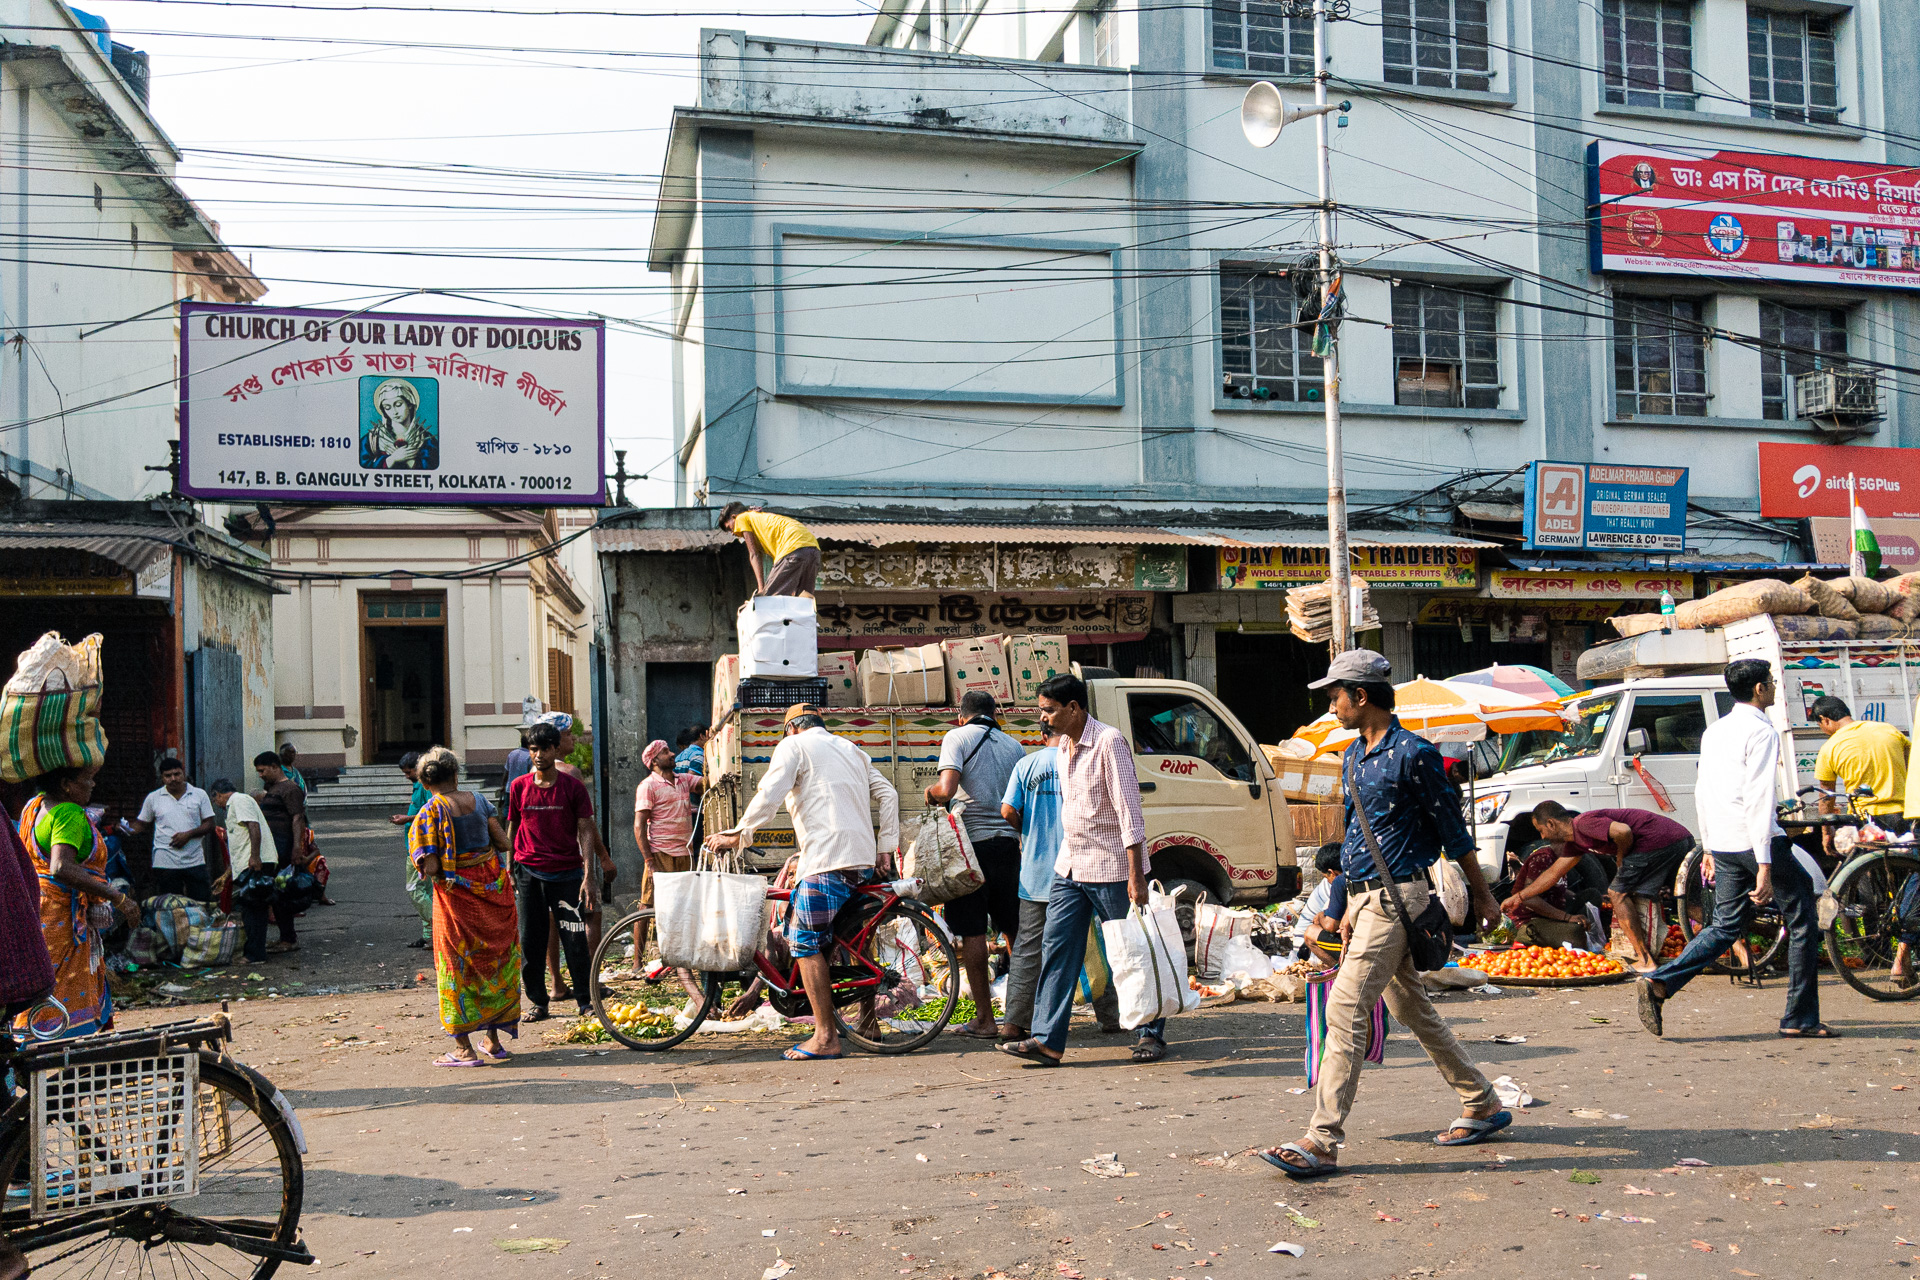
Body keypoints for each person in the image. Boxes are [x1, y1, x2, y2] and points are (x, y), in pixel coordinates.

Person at [1259, 650, 1509, 1180]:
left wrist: (1483, 896)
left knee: (1345, 1009)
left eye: (1335, 696)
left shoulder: (1414, 755)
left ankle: (1322, 1140)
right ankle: (1482, 1100)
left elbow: (1452, 832)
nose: (1332, 706)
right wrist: (1345, 902)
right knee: (1414, 1010)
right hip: (1367, 899)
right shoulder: (1353, 757)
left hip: (1402, 900)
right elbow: (1353, 836)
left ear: (1362, 696)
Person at [1639, 658, 1830, 1038]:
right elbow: (1758, 797)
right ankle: (1800, 1018)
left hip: (1724, 842)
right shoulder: (1762, 732)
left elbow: (1703, 790)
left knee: (1725, 926)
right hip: (1757, 841)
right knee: (1803, 919)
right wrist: (1764, 865)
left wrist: (1708, 845)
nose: (1774, 687)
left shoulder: (1716, 731)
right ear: (1760, 688)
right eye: (1771, 682)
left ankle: (1660, 981)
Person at [708, 702, 899, 1062]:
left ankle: (826, 1037)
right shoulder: (851, 749)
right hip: (859, 861)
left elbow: (770, 792)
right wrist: (885, 848)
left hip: (828, 860)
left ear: (792, 727)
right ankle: (869, 1021)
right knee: (850, 939)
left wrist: (739, 834)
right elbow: (888, 794)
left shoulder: (793, 746)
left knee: (804, 941)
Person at [999, 672, 1167, 1068]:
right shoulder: (1063, 749)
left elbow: (1130, 811)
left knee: (1132, 949)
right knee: (1058, 949)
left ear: (1073, 708)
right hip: (1070, 866)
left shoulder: (1109, 742)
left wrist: (1136, 874)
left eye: (1049, 710)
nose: (1043, 718)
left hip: (1112, 867)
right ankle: (1047, 1041)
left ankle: (1150, 1034)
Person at [999, 730, 1122, 1039]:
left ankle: (1014, 1023)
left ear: (1042, 735)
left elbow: (1007, 810)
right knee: (1098, 945)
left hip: (1037, 873)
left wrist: (1027, 828)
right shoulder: (1079, 761)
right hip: (1082, 869)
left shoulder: (1026, 766)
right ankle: (1112, 1017)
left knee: (1028, 951)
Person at [409, 745, 520, 1065]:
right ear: (457, 774)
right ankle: (493, 1040)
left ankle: (463, 1049)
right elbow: (504, 843)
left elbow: (430, 868)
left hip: (455, 900)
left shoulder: (430, 812)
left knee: (456, 968)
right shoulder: (480, 801)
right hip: (493, 892)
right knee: (492, 963)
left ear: (425, 783)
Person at [11, 765, 139, 1039]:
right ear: (67, 784)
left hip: (39, 908)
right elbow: (61, 867)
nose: (93, 785)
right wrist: (118, 897)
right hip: (63, 920)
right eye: (88, 780)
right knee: (62, 989)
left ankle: (30, 1038)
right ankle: (64, 1052)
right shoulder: (68, 813)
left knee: (41, 985)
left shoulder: (34, 806)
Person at [927, 691, 1027, 1039]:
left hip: (969, 851)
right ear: (993, 714)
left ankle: (984, 1020)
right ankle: (1020, 1017)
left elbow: (947, 787)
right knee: (1014, 930)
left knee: (973, 932)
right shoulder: (1014, 747)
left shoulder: (956, 737)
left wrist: (931, 792)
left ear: (961, 716)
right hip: (1007, 848)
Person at [1529, 801, 1692, 971]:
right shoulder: (1576, 842)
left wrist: (1621, 856)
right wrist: (1519, 896)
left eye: (1541, 830)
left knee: (1617, 893)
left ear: (1551, 823)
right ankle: (1712, 951)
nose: (1542, 837)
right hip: (1681, 837)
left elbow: (1623, 831)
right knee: (1689, 899)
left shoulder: (1582, 823)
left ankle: (1645, 960)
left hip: (1655, 841)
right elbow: (1553, 873)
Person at [507, 721, 598, 1021]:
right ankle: (539, 1002)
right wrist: (509, 867)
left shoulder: (573, 787)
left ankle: (585, 1000)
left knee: (574, 941)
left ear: (556, 749)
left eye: (545, 749)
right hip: (529, 874)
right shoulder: (519, 787)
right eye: (534, 749)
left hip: (567, 874)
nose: (539, 755)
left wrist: (589, 873)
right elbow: (513, 825)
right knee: (531, 942)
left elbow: (586, 828)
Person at [633, 738, 706, 999]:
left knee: (684, 907)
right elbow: (639, 826)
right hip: (661, 854)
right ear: (654, 760)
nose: (671, 753)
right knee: (647, 906)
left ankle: (679, 960)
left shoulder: (683, 779)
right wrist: (649, 861)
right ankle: (637, 963)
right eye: (665, 752)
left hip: (685, 854)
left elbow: (706, 783)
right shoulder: (648, 786)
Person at [207, 777, 289, 963]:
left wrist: (255, 856)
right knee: (252, 909)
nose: (216, 804)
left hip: (256, 863)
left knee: (254, 910)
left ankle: (255, 955)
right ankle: (254, 952)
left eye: (215, 800)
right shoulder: (235, 805)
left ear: (218, 795)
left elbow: (253, 826)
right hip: (250, 863)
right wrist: (228, 874)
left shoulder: (239, 800)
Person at [1812, 696, 1910, 834]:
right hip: (1904, 814)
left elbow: (1827, 797)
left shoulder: (1829, 748)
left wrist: (1826, 833)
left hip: (1866, 820)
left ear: (1825, 720)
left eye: (1819, 725)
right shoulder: (1890, 730)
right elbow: (1912, 769)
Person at [127, 758, 218, 902]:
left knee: (202, 902)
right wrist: (124, 828)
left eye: (177, 774)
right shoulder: (154, 798)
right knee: (170, 907)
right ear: (162, 778)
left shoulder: (199, 794)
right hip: (165, 861)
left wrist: (188, 835)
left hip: (194, 860)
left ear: (183, 773)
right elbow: (142, 824)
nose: (173, 779)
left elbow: (210, 823)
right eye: (168, 776)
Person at [252, 751, 310, 952]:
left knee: (282, 894)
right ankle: (286, 937)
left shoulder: (290, 789)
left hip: (284, 848)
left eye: (262, 770)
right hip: (273, 849)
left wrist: (297, 848)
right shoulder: (273, 788)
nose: (260, 774)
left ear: (275, 767)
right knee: (276, 893)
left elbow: (297, 819)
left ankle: (289, 938)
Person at [719, 501, 821, 598]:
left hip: (792, 547)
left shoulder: (742, 518)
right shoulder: (759, 521)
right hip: (813, 549)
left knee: (769, 600)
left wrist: (761, 589)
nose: (732, 533)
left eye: (729, 528)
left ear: (734, 517)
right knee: (803, 600)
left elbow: (754, 555)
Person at [1498, 839, 1587, 949]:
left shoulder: (1559, 859)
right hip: (1528, 922)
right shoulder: (1543, 858)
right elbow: (1529, 899)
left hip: (1550, 917)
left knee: (1592, 896)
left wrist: (1573, 896)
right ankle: (1527, 937)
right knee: (1575, 933)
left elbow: (1555, 887)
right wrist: (1567, 917)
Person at [389, 752, 433, 949]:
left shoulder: (425, 787)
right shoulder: (419, 786)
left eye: (409, 772)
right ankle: (429, 935)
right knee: (426, 891)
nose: (407, 775)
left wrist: (406, 819)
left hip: (421, 847)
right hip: (417, 844)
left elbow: (430, 814)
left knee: (414, 889)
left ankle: (438, 927)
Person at [1289, 844, 1350, 966]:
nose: (1327, 881)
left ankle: (1341, 973)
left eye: (1325, 876)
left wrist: (1320, 916)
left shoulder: (1338, 882)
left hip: (1355, 947)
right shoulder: (1357, 876)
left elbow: (1331, 925)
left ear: (1331, 872)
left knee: (1311, 932)